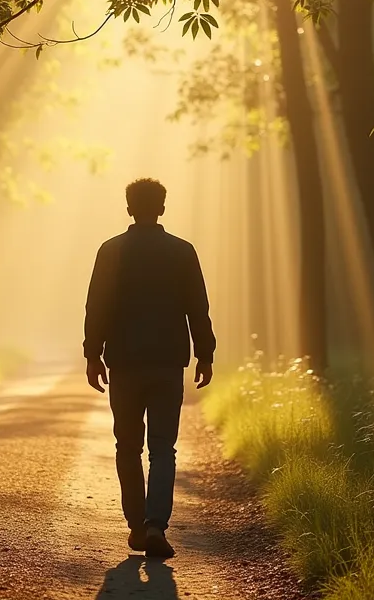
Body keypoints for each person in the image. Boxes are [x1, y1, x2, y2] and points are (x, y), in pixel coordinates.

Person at [83, 177, 216, 559]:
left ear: (128, 207)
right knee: (162, 448)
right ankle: (157, 524)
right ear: (162, 207)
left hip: (124, 362)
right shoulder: (182, 252)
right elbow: (198, 308)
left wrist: (93, 354)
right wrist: (205, 354)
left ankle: (137, 525)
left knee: (127, 445)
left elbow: (97, 306)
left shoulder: (110, 251)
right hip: (167, 362)